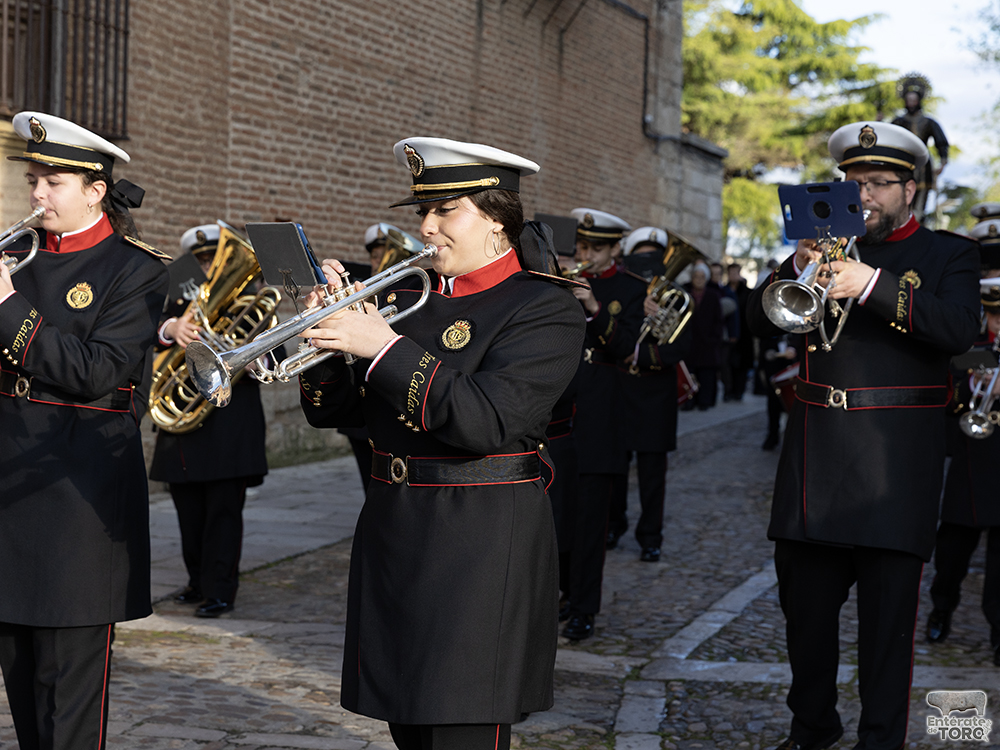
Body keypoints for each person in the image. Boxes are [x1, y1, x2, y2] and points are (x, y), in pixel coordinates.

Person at [298, 137, 585, 750]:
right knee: (408, 723)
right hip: (396, 531)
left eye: (445, 210)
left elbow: (487, 421)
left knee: (461, 727)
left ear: (497, 220)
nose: (425, 226)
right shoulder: (407, 299)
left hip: (480, 541)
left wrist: (381, 347)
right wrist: (322, 342)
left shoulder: (544, 307)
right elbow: (338, 413)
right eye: (422, 212)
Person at [748, 121, 980, 750]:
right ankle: (813, 727)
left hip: (894, 467)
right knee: (807, 620)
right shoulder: (821, 249)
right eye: (855, 183)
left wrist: (870, 286)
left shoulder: (948, 254)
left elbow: (958, 329)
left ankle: (880, 740)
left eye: (880, 183)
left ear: (913, 189)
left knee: (886, 629)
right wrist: (798, 265)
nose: (867, 195)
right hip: (815, 463)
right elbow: (757, 318)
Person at [0, 112, 169, 749]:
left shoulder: (137, 271)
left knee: (67, 707)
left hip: (79, 504)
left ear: (96, 190)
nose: (37, 192)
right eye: (34, 178)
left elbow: (97, 372)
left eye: (53, 181)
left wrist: (7, 307)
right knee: (20, 693)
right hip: (9, 494)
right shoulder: (15, 258)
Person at [149, 223, 277, 618]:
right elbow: (142, 336)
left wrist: (248, 352)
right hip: (182, 431)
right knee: (188, 511)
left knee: (222, 514)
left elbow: (273, 364)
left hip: (229, 429)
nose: (209, 268)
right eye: (203, 261)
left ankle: (220, 589)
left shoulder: (254, 308)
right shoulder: (176, 309)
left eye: (215, 260)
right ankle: (196, 581)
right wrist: (171, 329)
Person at [563, 207, 642, 638]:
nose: (585, 254)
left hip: (601, 421)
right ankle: (562, 591)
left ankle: (583, 607)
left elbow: (628, 349)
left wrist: (594, 306)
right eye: (581, 245)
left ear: (615, 249)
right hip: (557, 419)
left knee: (591, 526)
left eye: (595, 247)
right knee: (558, 520)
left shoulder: (631, 290)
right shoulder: (559, 281)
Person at [925, 205, 1000, 659]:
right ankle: (941, 611)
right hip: (973, 458)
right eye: (992, 317)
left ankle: (998, 632)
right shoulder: (970, 351)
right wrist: (974, 379)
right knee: (952, 549)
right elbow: (947, 394)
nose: (998, 326)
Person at [609, 227, 692, 562]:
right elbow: (609, 332)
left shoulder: (679, 298)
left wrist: (642, 356)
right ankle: (614, 526)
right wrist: (638, 314)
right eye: (641, 256)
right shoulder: (624, 292)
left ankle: (650, 537)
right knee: (614, 469)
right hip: (619, 392)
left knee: (652, 476)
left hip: (656, 396)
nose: (649, 264)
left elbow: (683, 347)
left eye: (655, 257)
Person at [891, 73, 949, 224]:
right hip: (902, 163)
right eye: (908, 100)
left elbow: (941, 142)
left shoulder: (928, 122)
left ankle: (917, 221)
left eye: (914, 100)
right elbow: (888, 137)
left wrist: (943, 162)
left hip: (924, 166)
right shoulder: (898, 121)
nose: (911, 103)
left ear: (919, 101)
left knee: (920, 198)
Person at [684, 262, 724, 410]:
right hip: (690, 342)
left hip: (707, 343)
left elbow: (718, 320)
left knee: (706, 375)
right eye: (696, 276)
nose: (699, 279)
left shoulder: (713, 296)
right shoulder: (686, 293)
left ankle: (704, 401)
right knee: (690, 374)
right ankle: (689, 401)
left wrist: (714, 339)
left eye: (702, 277)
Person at [725, 262, 754, 401]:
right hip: (728, 334)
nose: (733, 276)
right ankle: (729, 390)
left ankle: (739, 391)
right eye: (731, 273)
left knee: (742, 365)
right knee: (728, 364)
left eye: (735, 272)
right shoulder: (724, 291)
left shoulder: (747, 293)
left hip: (744, 335)